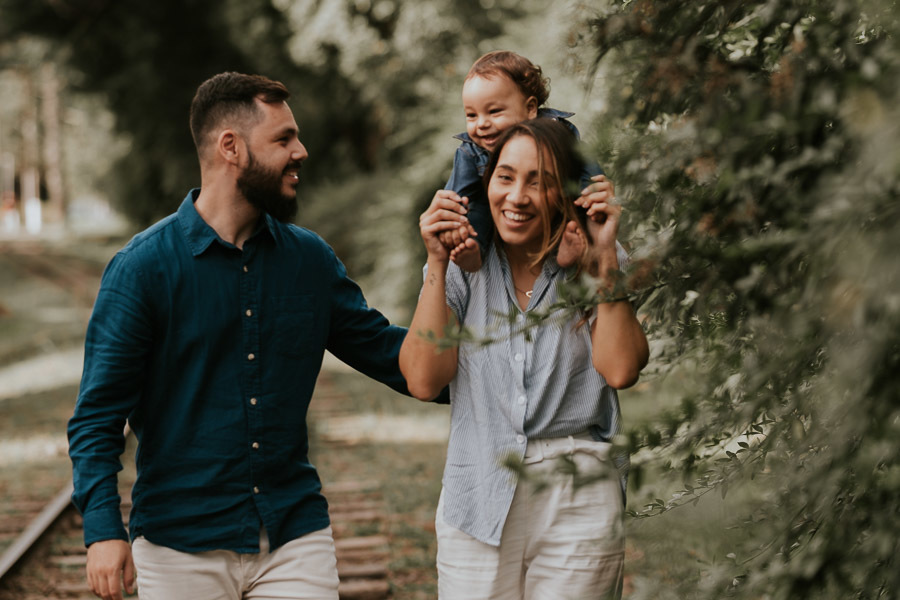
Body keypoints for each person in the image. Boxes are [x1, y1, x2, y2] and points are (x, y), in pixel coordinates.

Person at [67, 72, 413, 600]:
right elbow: (97, 417)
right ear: (231, 147)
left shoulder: (309, 260)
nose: (301, 151)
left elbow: (395, 356)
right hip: (179, 545)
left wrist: (507, 347)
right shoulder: (143, 269)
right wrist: (102, 530)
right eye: (283, 139)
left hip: (294, 536)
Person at [400, 118, 649, 599]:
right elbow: (424, 379)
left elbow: (621, 368)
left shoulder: (598, 255)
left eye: (540, 182)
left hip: (578, 489)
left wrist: (603, 258)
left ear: (566, 194)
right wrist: (434, 261)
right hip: (478, 490)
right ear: (486, 181)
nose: (516, 197)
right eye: (506, 177)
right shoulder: (462, 261)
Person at [441, 50, 616, 273]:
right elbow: (456, 195)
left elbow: (584, 166)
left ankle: (573, 240)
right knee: (478, 210)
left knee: (578, 198)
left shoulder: (558, 131)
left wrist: (592, 192)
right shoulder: (470, 151)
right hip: (494, 207)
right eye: (472, 115)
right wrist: (451, 219)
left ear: (530, 108)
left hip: (554, 207)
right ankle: (473, 251)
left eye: (494, 112)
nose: (482, 124)